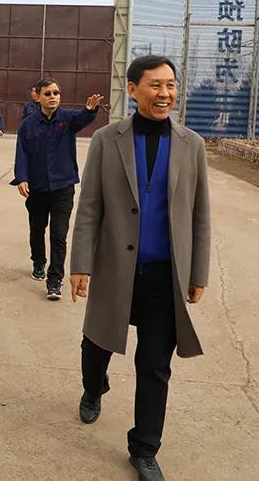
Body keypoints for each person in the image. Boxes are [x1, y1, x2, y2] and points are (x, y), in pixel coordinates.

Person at [70, 55, 210, 481]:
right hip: (115, 268)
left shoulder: (191, 145)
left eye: (171, 85)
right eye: (155, 85)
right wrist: (80, 264)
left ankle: (145, 449)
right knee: (97, 343)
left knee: (154, 366)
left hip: (165, 275)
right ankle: (94, 388)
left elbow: (200, 214)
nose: (165, 94)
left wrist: (198, 273)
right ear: (133, 90)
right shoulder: (107, 140)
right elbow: (89, 206)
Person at [14, 77, 103, 300]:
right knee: (37, 229)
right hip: (37, 188)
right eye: (48, 93)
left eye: (56, 93)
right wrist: (22, 178)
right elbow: (22, 153)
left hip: (63, 187)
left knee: (58, 234)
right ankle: (38, 261)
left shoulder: (67, 118)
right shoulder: (28, 125)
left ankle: (54, 280)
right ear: (38, 97)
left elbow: (82, 119)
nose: (53, 97)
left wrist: (90, 110)